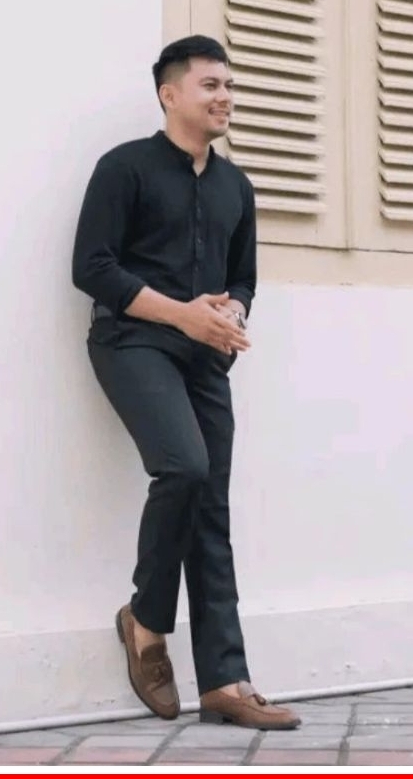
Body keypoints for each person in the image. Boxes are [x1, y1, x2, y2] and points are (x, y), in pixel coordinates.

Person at [71, 35, 300, 731]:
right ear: (170, 95)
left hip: (204, 357)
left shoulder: (236, 187)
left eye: (229, 85)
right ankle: (145, 619)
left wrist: (231, 315)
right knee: (184, 468)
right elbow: (92, 268)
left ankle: (225, 680)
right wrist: (182, 315)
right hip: (132, 342)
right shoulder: (125, 168)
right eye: (210, 85)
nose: (225, 97)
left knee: (211, 508)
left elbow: (243, 278)